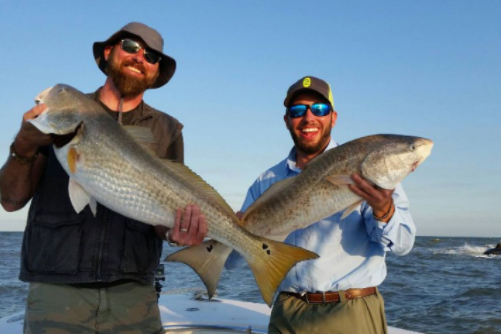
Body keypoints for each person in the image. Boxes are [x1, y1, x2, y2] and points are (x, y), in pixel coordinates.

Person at [0, 22, 207, 333]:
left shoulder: (167, 130)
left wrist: (177, 232)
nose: (140, 58)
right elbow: (11, 201)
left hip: (134, 294)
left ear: (156, 71)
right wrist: (23, 145)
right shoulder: (60, 118)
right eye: (131, 47)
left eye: (151, 56)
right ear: (109, 51)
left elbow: (162, 217)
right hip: (57, 291)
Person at [225, 76, 416, 334]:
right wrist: (222, 232)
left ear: (333, 117)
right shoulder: (266, 182)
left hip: (352, 309)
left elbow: (403, 245)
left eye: (319, 109)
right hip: (287, 313)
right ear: (286, 120)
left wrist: (384, 210)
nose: (308, 118)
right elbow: (233, 260)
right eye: (297, 111)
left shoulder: (370, 169)